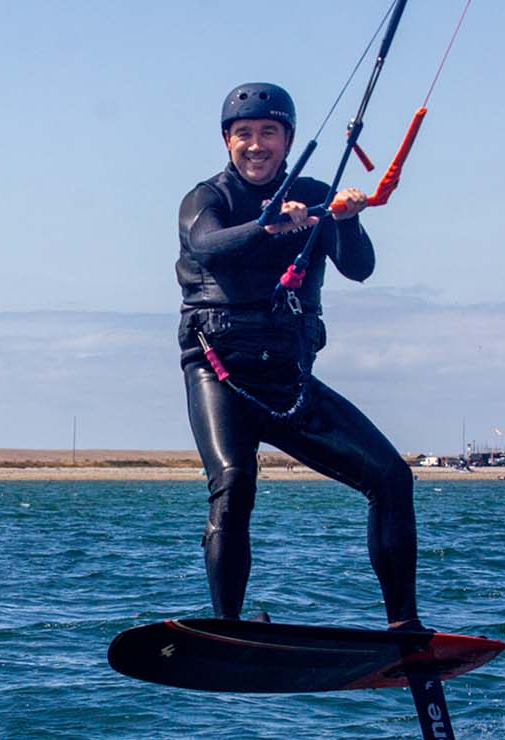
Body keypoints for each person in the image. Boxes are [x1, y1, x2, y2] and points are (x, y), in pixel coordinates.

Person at [176, 82, 423, 631]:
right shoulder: (207, 199)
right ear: (227, 141)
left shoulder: (314, 194)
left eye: (269, 133)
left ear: (287, 141)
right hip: (221, 375)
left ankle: (404, 627)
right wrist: (270, 225)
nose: (256, 145)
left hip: (289, 382)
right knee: (234, 482)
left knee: (391, 478)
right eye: (244, 134)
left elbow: (359, 268)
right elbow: (207, 246)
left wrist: (345, 218)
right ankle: (229, 627)